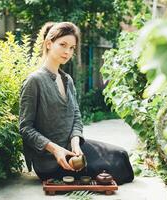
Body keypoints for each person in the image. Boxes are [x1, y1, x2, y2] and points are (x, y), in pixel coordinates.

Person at [19, 22, 134, 185]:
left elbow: (76, 116)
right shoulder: (34, 81)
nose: (67, 51)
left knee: (121, 156)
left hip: (73, 150)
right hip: (50, 161)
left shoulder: (67, 80)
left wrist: (76, 142)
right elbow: (25, 128)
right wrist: (55, 149)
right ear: (49, 43)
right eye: (63, 45)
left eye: (72, 48)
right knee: (117, 170)